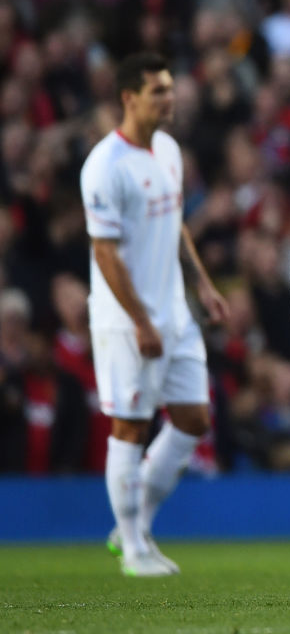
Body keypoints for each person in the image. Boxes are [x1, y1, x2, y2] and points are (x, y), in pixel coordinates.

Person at [80, 52, 230, 577]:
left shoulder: (167, 149)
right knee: (129, 426)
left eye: (170, 88)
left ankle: (133, 527)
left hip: (176, 312)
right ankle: (135, 549)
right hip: (128, 320)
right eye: (158, 91)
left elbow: (175, 224)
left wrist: (203, 286)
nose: (170, 99)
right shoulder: (105, 166)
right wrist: (141, 321)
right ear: (129, 98)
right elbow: (105, 252)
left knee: (193, 420)